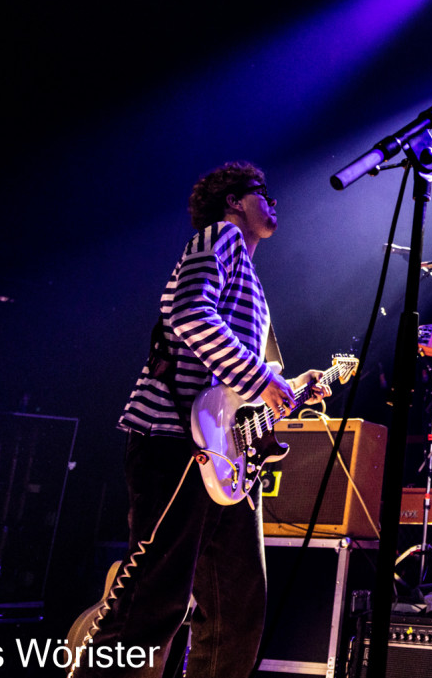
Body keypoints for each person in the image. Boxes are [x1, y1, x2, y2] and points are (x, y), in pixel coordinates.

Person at [76, 161, 325, 676]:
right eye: (263, 193)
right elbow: (189, 311)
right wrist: (263, 381)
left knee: (237, 612)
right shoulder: (220, 238)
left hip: (226, 462)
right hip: (174, 440)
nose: (275, 202)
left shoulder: (252, 282)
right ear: (234, 200)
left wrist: (293, 387)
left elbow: (247, 386)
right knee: (153, 600)